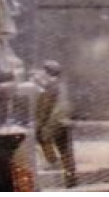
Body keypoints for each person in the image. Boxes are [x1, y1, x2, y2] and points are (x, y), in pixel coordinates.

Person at [33, 60, 77, 188]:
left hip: (54, 121)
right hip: (65, 120)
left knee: (41, 137)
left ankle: (53, 162)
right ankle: (71, 178)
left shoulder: (50, 87)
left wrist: (39, 124)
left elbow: (45, 108)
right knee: (66, 150)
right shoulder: (62, 85)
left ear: (47, 72)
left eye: (43, 71)